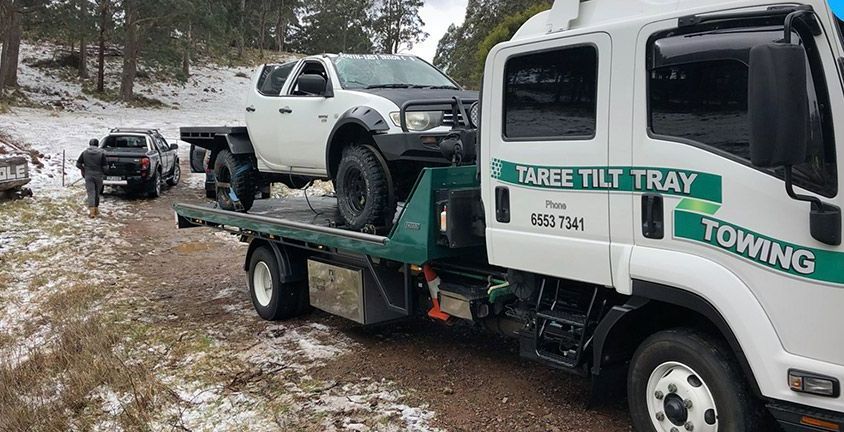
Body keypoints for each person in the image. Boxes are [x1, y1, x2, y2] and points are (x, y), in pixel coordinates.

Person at [77, 138, 107, 218]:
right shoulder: (102, 154)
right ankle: (96, 209)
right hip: (98, 176)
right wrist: (104, 171)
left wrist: (83, 170)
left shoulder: (84, 153)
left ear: (90, 144)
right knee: (97, 193)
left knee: (91, 192)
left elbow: (78, 164)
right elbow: (105, 167)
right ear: (97, 145)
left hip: (88, 175)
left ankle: (92, 212)